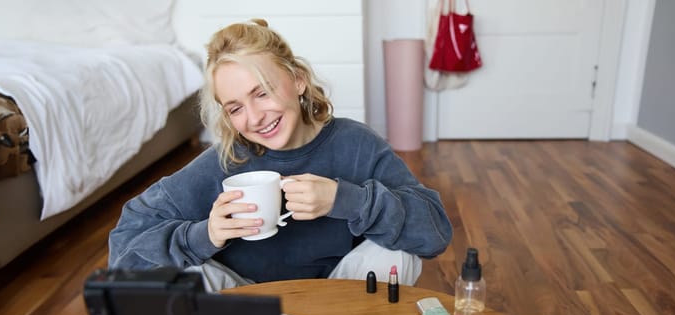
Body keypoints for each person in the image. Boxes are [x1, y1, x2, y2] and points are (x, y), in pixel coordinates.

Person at [107, 19, 452, 290]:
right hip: (248, 304)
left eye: (263, 92)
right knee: (188, 272)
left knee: (398, 252)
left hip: (340, 292)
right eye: (235, 107)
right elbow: (124, 251)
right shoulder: (223, 162)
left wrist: (347, 200)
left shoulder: (356, 144)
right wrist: (205, 235)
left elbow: (434, 233)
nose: (254, 118)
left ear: (298, 80)